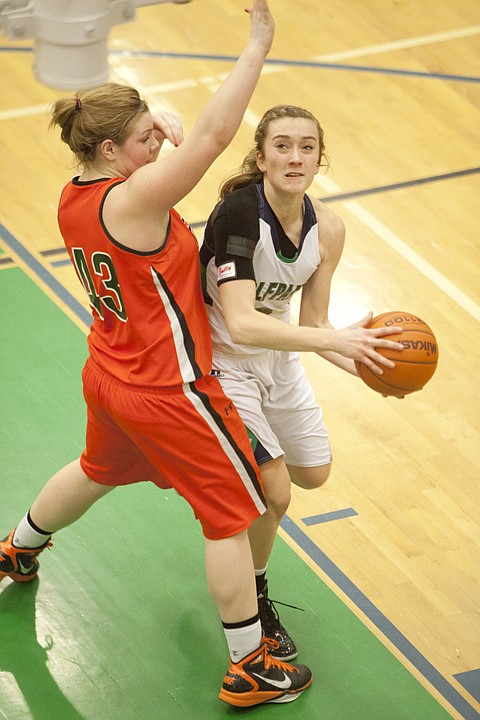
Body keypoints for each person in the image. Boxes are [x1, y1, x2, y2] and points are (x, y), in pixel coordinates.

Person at [0, 4, 314, 708]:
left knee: (97, 470)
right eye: (144, 138)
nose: (158, 144)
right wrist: (257, 43)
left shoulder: (78, 194)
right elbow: (213, 134)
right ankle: (249, 664)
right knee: (237, 513)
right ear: (111, 151)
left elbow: (164, 153)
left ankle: (17, 547)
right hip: (171, 391)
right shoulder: (137, 199)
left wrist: (153, 129)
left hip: (110, 372)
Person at [199, 104, 404, 659]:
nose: (295, 157)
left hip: (279, 359)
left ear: (320, 158)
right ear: (261, 156)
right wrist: (336, 342)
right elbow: (242, 321)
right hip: (221, 363)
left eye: (306, 147)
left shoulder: (329, 228)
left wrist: (371, 366)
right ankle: (255, 595)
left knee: (312, 474)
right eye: (282, 146)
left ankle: (232, 482)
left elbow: (314, 325)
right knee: (275, 493)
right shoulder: (237, 214)